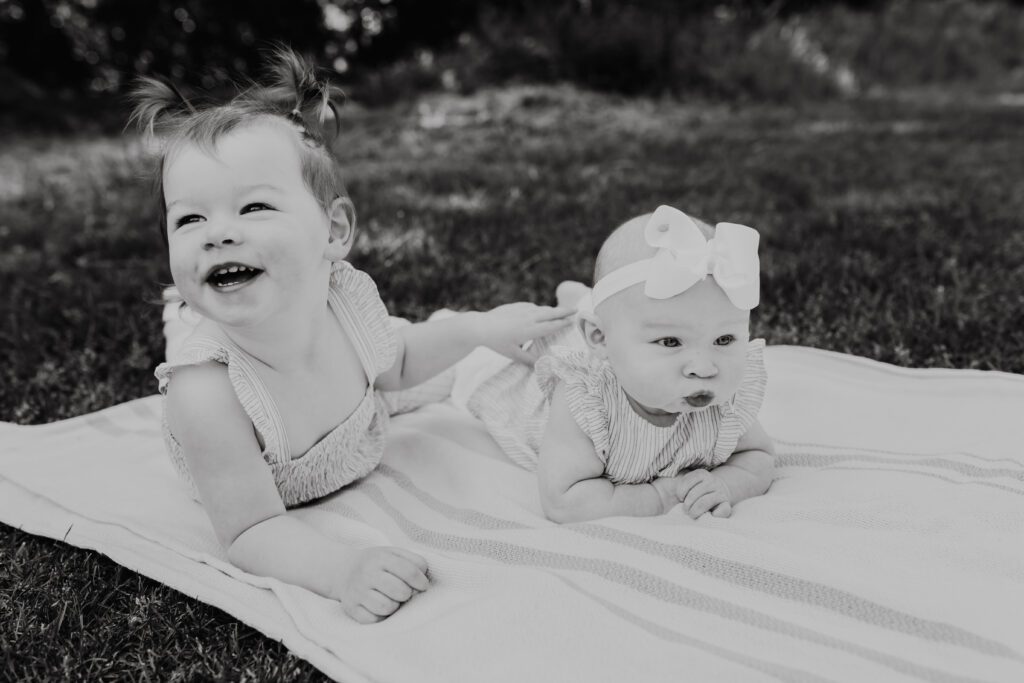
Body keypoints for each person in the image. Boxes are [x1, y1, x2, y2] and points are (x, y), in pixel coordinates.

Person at [131, 48, 572, 624]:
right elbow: (250, 529)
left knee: (450, 361)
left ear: (334, 231)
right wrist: (342, 570)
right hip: (252, 459)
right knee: (188, 335)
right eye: (189, 219)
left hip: (347, 401)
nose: (217, 235)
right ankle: (180, 316)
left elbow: (399, 364)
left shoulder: (345, 303)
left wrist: (484, 330)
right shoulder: (207, 395)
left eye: (254, 206)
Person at [466, 205, 775, 523]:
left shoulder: (726, 403)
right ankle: (562, 309)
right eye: (670, 342)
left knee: (619, 319)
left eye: (724, 340)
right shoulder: (584, 401)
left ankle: (579, 300)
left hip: (615, 338)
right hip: (523, 369)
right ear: (599, 338)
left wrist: (725, 484)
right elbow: (565, 501)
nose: (705, 368)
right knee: (482, 362)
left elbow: (759, 456)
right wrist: (659, 497)